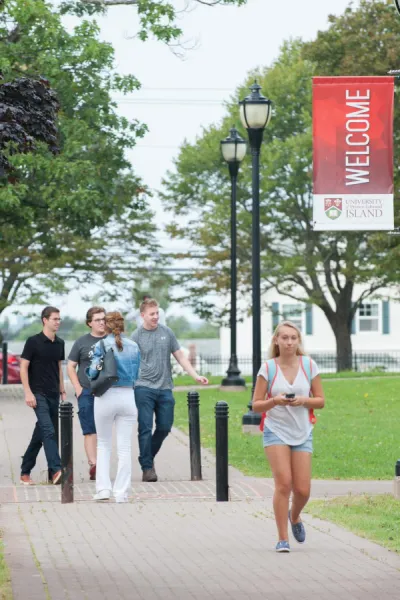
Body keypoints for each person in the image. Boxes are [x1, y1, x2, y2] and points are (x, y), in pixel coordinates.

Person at [252, 321, 325, 553]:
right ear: (276, 340)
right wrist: (275, 401)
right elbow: (256, 405)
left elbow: (321, 400)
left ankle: (295, 516)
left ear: (298, 341)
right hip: (276, 430)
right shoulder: (268, 368)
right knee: (284, 484)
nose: (290, 342)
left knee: (303, 490)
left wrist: (303, 400)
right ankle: (282, 538)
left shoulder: (309, 365)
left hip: (302, 431)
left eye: (293, 338)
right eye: (284, 338)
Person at [132, 298, 208, 482]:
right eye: (152, 314)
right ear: (143, 315)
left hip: (165, 387)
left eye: (157, 313)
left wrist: (195, 375)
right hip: (143, 388)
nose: (156, 316)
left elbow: (181, 357)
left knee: (165, 426)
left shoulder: (167, 333)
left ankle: (145, 456)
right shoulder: (136, 336)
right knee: (145, 427)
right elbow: (130, 362)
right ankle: (147, 468)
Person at [87, 311, 140, 502]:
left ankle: (103, 490)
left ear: (107, 326)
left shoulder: (100, 344)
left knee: (103, 444)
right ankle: (121, 493)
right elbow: (137, 373)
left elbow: (93, 372)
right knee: (124, 447)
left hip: (106, 396)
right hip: (128, 396)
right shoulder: (134, 346)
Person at [20, 306, 66, 485]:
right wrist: (27, 392)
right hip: (37, 393)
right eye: (55, 319)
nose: (58, 322)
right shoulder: (33, 342)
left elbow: (58, 367)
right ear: (45, 320)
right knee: (48, 430)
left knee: (40, 434)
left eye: (59, 319)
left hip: (54, 394)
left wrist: (62, 389)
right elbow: (23, 367)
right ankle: (56, 470)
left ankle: (25, 470)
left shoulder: (60, 343)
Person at [67, 306, 107, 481]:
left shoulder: (112, 340)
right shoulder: (82, 342)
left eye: (104, 319)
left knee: (104, 430)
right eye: (97, 320)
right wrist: (77, 388)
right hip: (86, 391)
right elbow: (70, 366)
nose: (101, 322)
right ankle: (94, 464)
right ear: (89, 323)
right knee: (89, 429)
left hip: (107, 391)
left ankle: (103, 463)